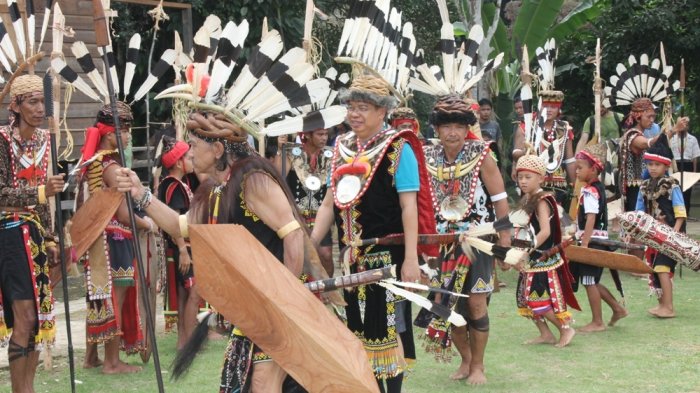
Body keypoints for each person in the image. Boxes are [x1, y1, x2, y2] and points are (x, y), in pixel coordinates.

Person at [117, 110, 310, 391]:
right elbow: (180, 225)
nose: (189, 153)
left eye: (194, 146)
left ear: (218, 149)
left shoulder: (252, 180)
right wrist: (140, 194)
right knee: (241, 384)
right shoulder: (219, 190)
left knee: (262, 384)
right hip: (254, 310)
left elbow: (292, 235)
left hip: (277, 308)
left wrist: (287, 301)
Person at [310, 74, 437, 393]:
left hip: (388, 261)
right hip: (352, 261)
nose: (354, 114)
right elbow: (328, 203)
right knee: (358, 333)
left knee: (387, 336)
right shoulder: (341, 147)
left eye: (363, 107)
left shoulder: (397, 148)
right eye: (351, 106)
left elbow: (410, 208)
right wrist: (309, 246)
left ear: (382, 111)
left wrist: (411, 259)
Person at [421, 94, 510, 384]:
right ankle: (466, 360)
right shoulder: (427, 156)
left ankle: (479, 366)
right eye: (446, 125)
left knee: (475, 304)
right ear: (436, 128)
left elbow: (499, 197)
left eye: (459, 125)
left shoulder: (482, 153)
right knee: (447, 304)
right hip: (443, 242)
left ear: (466, 127)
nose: (452, 132)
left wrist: (505, 240)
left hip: (478, 240)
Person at [78, 102, 154, 374]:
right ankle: (111, 362)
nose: (128, 136)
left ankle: (91, 357)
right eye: (125, 130)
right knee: (114, 298)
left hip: (99, 239)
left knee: (98, 297)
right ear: (111, 134)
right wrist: (148, 223)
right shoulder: (110, 165)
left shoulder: (94, 160)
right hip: (113, 240)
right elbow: (123, 214)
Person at [0, 74, 63, 393]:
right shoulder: (1, 140)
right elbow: (0, 192)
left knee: (37, 318)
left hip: (35, 236)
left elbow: (43, 199)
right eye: (33, 102)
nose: (40, 109)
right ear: (16, 105)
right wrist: (40, 193)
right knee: (23, 315)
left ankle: (29, 388)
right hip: (9, 235)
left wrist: (51, 238)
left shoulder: (43, 141)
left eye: (43, 101)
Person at [514, 154, 578, 348]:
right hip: (532, 257)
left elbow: (545, 231)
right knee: (524, 298)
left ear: (541, 178)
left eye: (528, 177)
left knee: (537, 298)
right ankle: (545, 334)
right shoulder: (528, 198)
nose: (523, 181)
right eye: (520, 177)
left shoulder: (543, 200)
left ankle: (566, 329)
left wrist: (526, 252)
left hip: (542, 258)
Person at [570, 144, 627, 332]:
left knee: (589, 280)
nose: (576, 171)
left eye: (580, 168)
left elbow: (591, 217)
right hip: (594, 240)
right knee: (590, 280)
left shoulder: (591, 191)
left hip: (593, 241)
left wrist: (584, 243)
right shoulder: (595, 188)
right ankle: (617, 308)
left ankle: (597, 322)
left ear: (593, 169)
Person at [156, 136, 201, 349]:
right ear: (177, 162)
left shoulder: (179, 184)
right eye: (188, 157)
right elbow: (173, 222)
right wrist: (183, 249)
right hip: (182, 247)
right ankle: (189, 340)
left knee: (186, 293)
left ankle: (184, 341)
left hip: (185, 247)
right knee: (193, 291)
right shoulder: (172, 186)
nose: (192, 159)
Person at [635, 134, 686, 318]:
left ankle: (669, 307)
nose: (653, 168)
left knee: (663, 268)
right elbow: (639, 212)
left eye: (657, 164)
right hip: (653, 234)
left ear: (665, 166)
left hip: (671, 233)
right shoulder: (644, 186)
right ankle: (661, 304)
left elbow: (680, 212)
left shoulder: (672, 185)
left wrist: (674, 234)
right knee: (654, 268)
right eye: (650, 164)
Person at [274, 128, 335, 275]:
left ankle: (329, 289)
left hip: (321, 214)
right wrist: (280, 150)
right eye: (320, 134)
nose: (324, 138)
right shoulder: (291, 153)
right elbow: (277, 176)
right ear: (307, 135)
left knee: (325, 254)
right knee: (298, 254)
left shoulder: (332, 154)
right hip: (297, 215)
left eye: (326, 134)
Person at [670, 128, 700, 214]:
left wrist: (694, 173)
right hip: (676, 164)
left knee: (687, 189)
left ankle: (686, 212)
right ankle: (676, 212)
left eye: (686, 125)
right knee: (675, 188)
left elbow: (695, 156)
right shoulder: (672, 138)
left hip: (688, 164)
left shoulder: (692, 139)